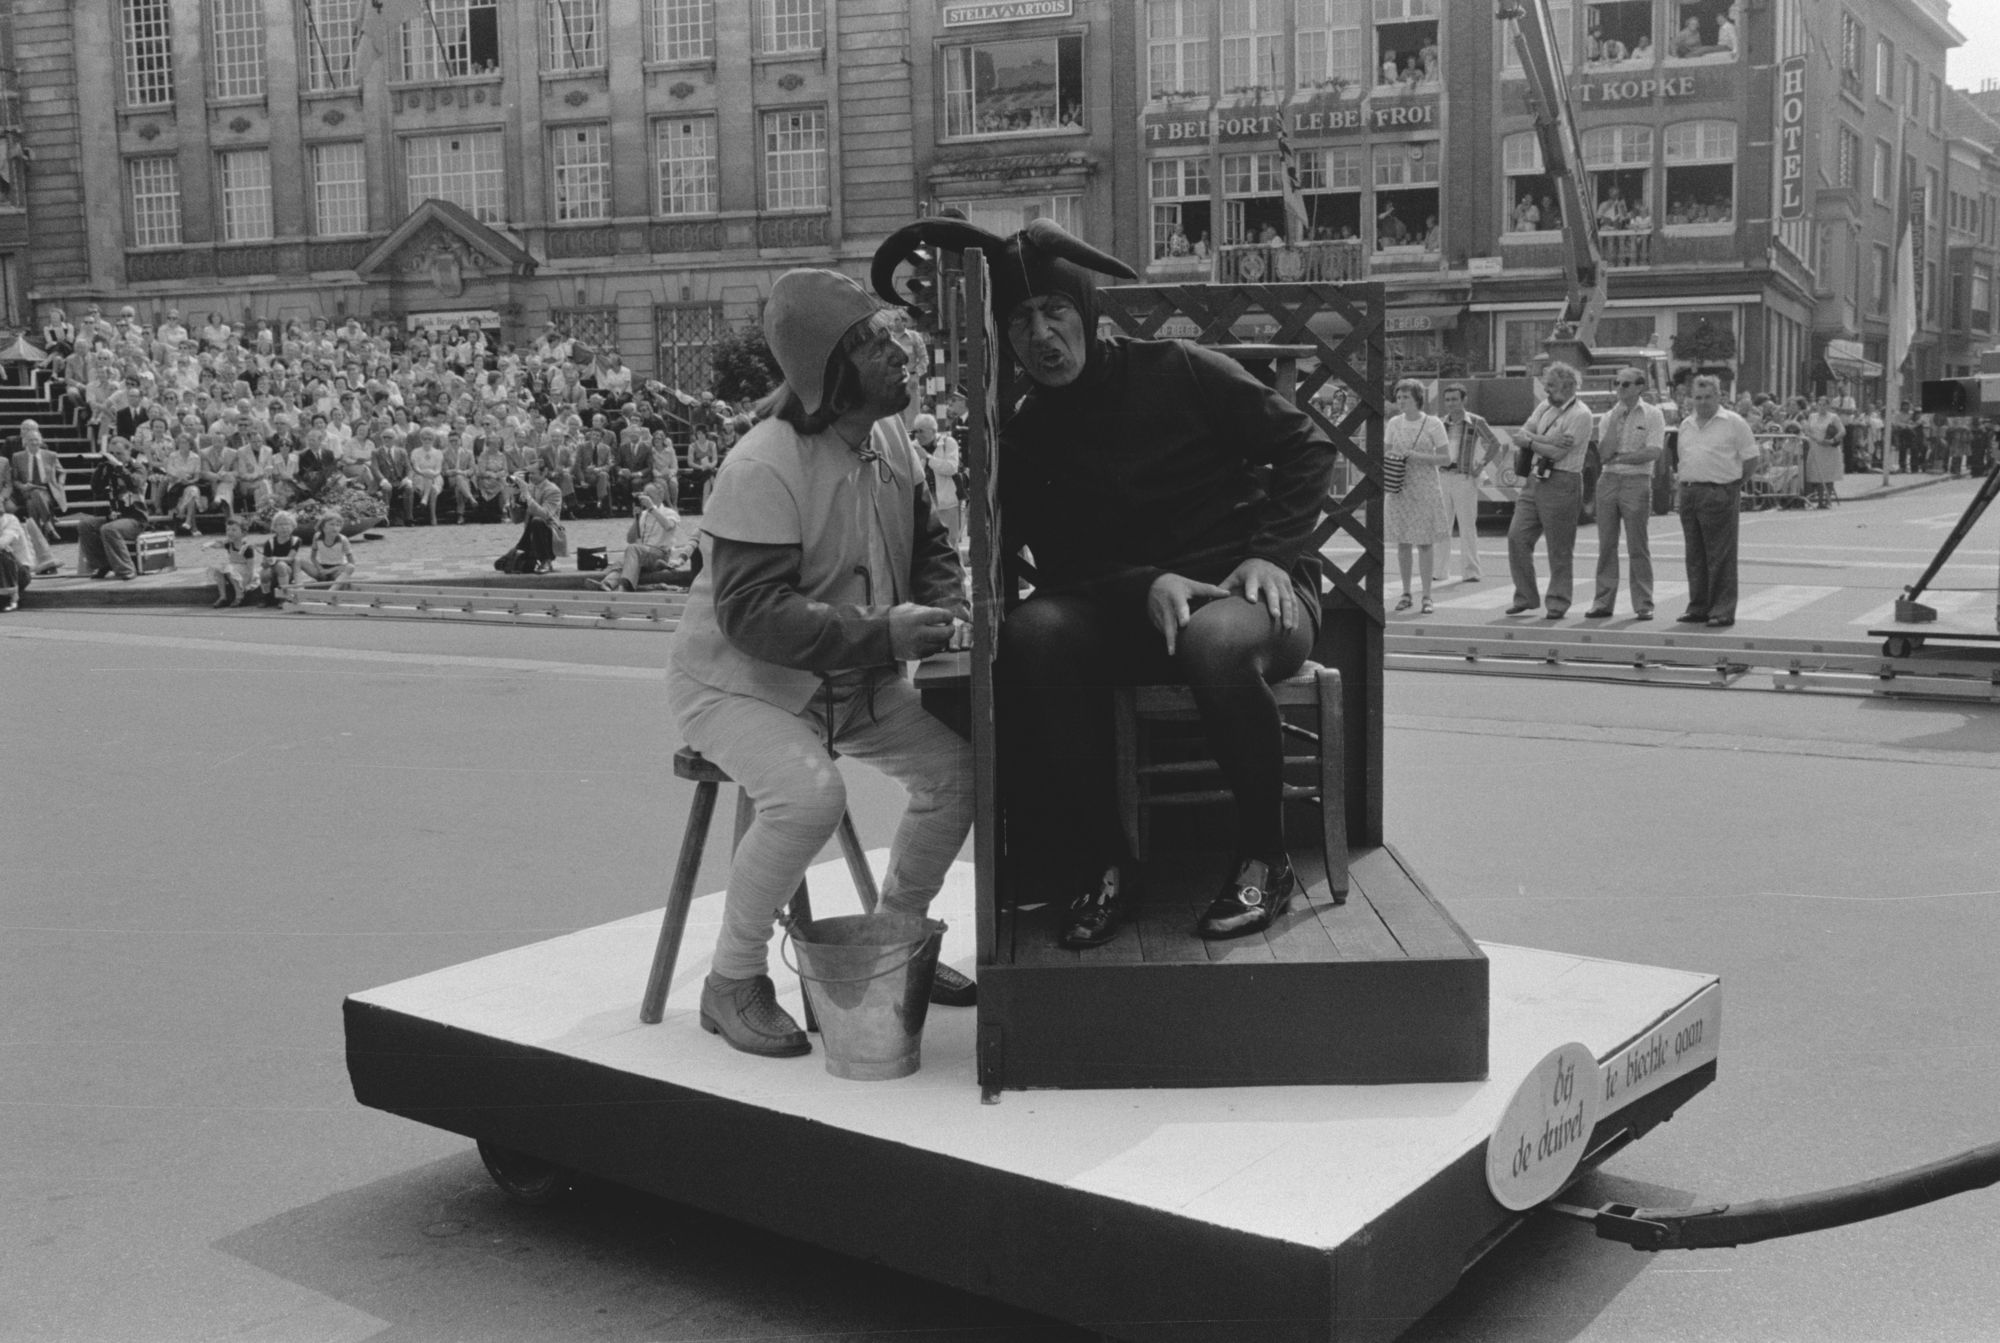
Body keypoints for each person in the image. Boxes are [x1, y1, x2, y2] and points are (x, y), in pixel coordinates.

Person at [879, 215, 1336, 948]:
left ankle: (1263, 857)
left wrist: (1272, 554)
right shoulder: (1027, 433)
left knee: (1214, 640)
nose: (1041, 335)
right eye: (1021, 319)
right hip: (1133, 609)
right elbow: (1060, 565)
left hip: (1251, 597)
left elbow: (1305, 447)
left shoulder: (1179, 368)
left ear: (1086, 312)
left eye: (1056, 310)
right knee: (1036, 633)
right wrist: (1147, 581)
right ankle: (1107, 862)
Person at [664, 267, 974, 1060]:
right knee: (810, 795)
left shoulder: (892, 435)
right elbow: (751, 615)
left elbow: (930, 542)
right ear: (833, 373)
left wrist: (948, 605)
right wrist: (884, 634)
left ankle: (896, 936)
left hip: (850, 683)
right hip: (739, 689)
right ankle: (730, 981)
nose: (901, 352)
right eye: (876, 342)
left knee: (958, 772)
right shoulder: (763, 462)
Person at [1505, 360, 1594, 619]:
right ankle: (1525, 596)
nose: (1546, 391)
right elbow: (1522, 433)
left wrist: (1534, 442)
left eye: (1551, 386)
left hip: (1563, 481)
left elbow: (1556, 452)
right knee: (1516, 537)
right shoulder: (1545, 406)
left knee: (1559, 547)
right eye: (1546, 385)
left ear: (1568, 386)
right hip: (1535, 480)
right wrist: (1545, 439)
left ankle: (1557, 601)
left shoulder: (1581, 415)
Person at [1673, 375, 1761, 628]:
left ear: (1719, 396)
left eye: (1707, 397)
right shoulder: (1686, 424)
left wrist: (1733, 486)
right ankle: (1698, 606)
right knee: (1695, 555)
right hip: (1690, 492)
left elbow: (1751, 459)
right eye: (1697, 397)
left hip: (1719, 492)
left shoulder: (1733, 423)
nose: (1702, 402)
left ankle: (1722, 610)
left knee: (1720, 555)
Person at [1585, 367, 1667, 620]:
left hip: (1637, 481)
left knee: (1637, 545)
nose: (1620, 388)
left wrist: (1623, 457)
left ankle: (1643, 602)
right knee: (1606, 544)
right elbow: (1604, 453)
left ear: (1639, 387)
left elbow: (1653, 451)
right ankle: (1603, 602)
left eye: (1626, 384)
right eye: (1617, 384)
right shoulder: (1611, 415)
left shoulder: (1653, 414)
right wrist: (1617, 420)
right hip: (1608, 480)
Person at [1383, 379, 1451, 614]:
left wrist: (1418, 457)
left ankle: (1427, 595)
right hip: (1400, 485)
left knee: (1424, 542)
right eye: (1398, 397)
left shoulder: (1433, 424)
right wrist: (1395, 456)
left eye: (1406, 398)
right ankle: (1405, 592)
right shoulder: (1393, 423)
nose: (1401, 402)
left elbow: (1445, 458)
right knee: (1402, 542)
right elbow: (1387, 451)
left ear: (1417, 400)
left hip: (1425, 486)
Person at [1434, 382, 1504, 582]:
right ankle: (1439, 571)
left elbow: (1494, 443)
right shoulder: (1440, 423)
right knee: (1442, 526)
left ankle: (1471, 571)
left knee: (1467, 526)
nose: (1451, 404)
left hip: (1464, 477)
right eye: (1447, 400)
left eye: (1455, 399)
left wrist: (1480, 465)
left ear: (1464, 400)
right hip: (1443, 477)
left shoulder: (1475, 421)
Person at [598, 481, 686, 592]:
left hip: (660, 553)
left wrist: (652, 508)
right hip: (644, 554)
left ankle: (626, 586)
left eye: (649, 495)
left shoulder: (670, 513)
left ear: (660, 495)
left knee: (633, 549)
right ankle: (607, 584)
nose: (645, 498)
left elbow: (668, 526)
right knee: (623, 559)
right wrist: (636, 518)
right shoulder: (643, 515)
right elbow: (630, 539)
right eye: (644, 494)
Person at [911, 412, 962, 550]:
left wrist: (927, 458)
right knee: (930, 546)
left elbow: (951, 468)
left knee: (951, 544)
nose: (918, 436)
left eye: (922, 431)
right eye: (915, 431)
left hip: (947, 503)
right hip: (926, 505)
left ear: (933, 431)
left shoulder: (947, 443)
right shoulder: (913, 447)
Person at [9, 421, 66, 543]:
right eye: (31, 440)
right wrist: (23, 486)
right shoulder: (17, 457)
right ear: (25, 442)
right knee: (34, 493)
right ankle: (48, 524)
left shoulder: (51, 455)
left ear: (40, 441)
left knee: (32, 503)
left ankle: (38, 539)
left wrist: (60, 484)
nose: (34, 442)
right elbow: (14, 479)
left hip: (46, 489)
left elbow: (62, 472)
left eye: (36, 440)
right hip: (26, 489)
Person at [203, 515, 257, 608]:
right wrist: (209, 544)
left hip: (244, 573)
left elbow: (250, 569)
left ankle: (240, 596)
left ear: (243, 533)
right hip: (232, 571)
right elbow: (218, 543)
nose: (230, 532)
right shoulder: (229, 544)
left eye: (234, 530)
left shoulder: (247, 548)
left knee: (229, 569)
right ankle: (223, 597)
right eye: (228, 530)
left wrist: (246, 583)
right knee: (218, 569)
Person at [1802, 395, 1846, 506]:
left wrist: (1832, 440)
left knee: (1828, 474)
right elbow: (1807, 430)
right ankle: (1820, 499)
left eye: (1824, 405)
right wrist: (1816, 439)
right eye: (1820, 405)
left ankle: (1826, 500)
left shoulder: (1833, 417)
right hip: (1816, 448)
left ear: (1828, 406)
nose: (1822, 407)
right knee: (1817, 474)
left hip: (1829, 449)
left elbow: (1842, 431)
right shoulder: (1812, 416)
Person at [297, 512, 357, 588]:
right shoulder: (317, 536)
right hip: (322, 568)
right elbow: (313, 557)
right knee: (298, 561)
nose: (335, 528)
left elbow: (351, 563)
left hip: (337, 569)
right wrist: (320, 569)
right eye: (331, 524)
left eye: (338, 525)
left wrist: (329, 571)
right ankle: (298, 587)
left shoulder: (343, 540)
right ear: (323, 526)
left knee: (344, 573)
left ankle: (334, 588)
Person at [260, 510, 302, 604]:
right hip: (272, 571)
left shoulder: (295, 541)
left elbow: (290, 558)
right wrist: (266, 562)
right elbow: (265, 563)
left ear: (293, 526)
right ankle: (265, 596)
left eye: (287, 524)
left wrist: (276, 559)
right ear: (274, 527)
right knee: (264, 573)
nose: (284, 527)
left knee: (281, 565)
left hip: (287, 571)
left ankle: (284, 596)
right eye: (280, 525)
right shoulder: (270, 542)